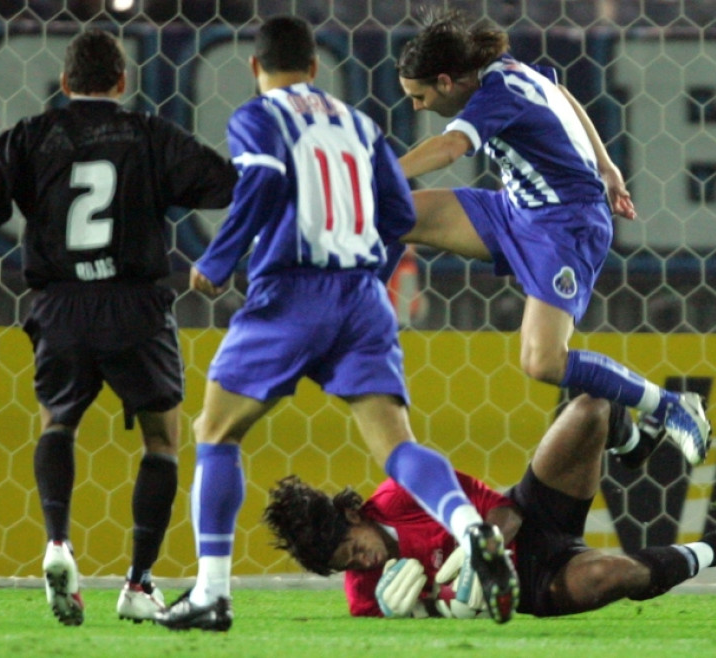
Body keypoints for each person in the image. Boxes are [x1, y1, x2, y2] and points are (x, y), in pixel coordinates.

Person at [152, 15, 518, 633]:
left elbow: (263, 182)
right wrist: (368, 271)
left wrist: (216, 261)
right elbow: (400, 210)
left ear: (254, 69)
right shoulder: (358, 124)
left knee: (215, 431)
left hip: (289, 294)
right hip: (360, 297)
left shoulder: (257, 118)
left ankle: (212, 593)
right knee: (396, 446)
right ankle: (469, 528)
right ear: (317, 68)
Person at [0, 29, 238, 626]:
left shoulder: (28, 136)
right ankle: (139, 583)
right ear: (122, 82)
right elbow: (230, 187)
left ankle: (56, 543)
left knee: (59, 423)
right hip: (134, 307)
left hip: (61, 307)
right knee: (162, 441)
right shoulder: (150, 135)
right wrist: (222, 256)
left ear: (64, 84)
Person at [389, 11, 712, 467]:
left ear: (445, 81)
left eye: (419, 96)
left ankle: (670, 405)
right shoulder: (500, 71)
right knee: (390, 213)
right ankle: (363, 322)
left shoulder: (494, 94)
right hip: (513, 210)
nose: (417, 106)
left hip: (566, 226)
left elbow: (447, 149)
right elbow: (561, 94)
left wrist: (377, 174)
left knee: (543, 362)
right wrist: (606, 164)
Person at [264, 394, 716, 619]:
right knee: (617, 574)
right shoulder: (367, 596)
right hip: (537, 582)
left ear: (354, 516)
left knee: (589, 406)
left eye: (349, 549)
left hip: (531, 520)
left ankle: (631, 440)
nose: (356, 565)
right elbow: (399, 622)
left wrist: (481, 552)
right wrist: (433, 607)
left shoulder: (405, 494)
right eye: (341, 566)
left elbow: (505, 511)